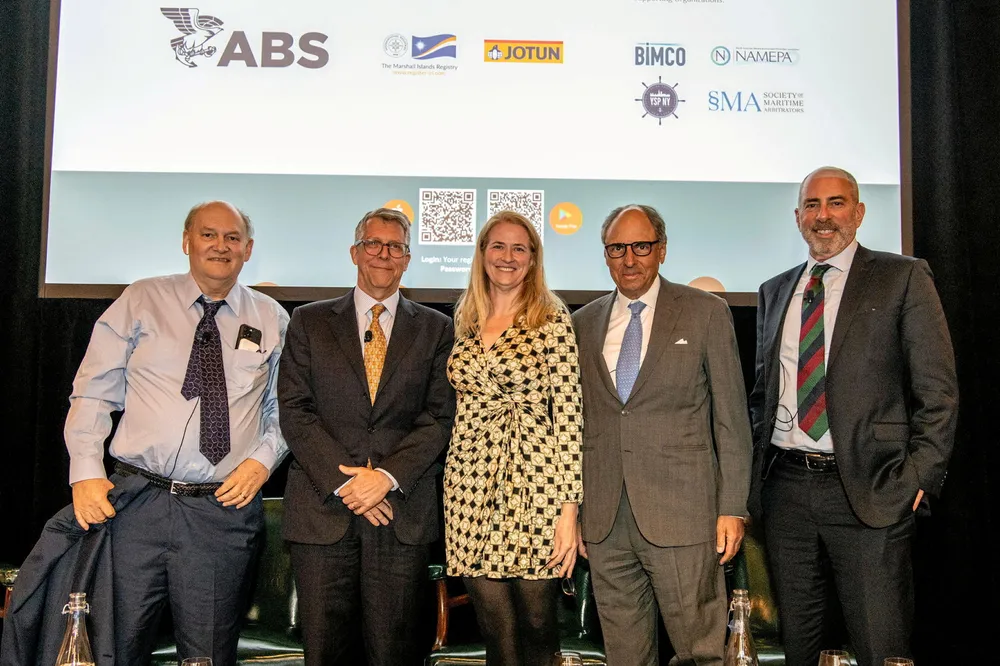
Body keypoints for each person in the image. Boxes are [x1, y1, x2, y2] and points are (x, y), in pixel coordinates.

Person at [748, 167, 958, 666]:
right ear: (798, 217)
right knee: (798, 646)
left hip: (871, 486)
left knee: (879, 644)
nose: (823, 216)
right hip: (786, 491)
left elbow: (938, 390)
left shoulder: (902, 277)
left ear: (859, 212)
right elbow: (761, 394)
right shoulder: (775, 290)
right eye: (812, 205)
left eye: (836, 203)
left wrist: (919, 476)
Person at [64, 200, 289, 665]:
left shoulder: (272, 317)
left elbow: (287, 408)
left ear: (248, 249)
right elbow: (93, 391)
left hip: (220, 513)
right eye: (209, 235)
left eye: (232, 238)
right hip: (136, 504)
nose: (220, 246)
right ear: (187, 241)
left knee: (209, 653)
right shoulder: (141, 299)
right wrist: (85, 472)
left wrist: (261, 461)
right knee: (114, 646)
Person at [572, 204, 751, 666]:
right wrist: (578, 513)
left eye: (641, 246)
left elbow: (731, 419)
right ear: (605, 255)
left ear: (662, 250)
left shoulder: (705, 312)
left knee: (701, 654)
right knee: (625, 658)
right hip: (606, 522)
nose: (629, 259)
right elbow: (578, 424)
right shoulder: (582, 323)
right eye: (617, 249)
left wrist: (732, 507)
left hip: (684, 516)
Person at [278, 207, 456, 666]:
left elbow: (439, 416)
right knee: (325, 653)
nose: (383, 254)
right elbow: (295, 410)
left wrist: (385, 478)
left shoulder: (437, 328)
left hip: (400, 514)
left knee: (394, 653)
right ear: (355, 252)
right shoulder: (309, 321)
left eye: (395, 247)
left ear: (408, 259)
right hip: (323, 513)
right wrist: (351, 483)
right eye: (373, 244)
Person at [443, 210, 583, 666]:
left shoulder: (551, 317)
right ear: (482, 254)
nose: (508, 257)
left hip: (536, 485)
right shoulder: (465, 319)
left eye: (519, 248)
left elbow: (569, 414)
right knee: (496, 635)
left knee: (538, 631)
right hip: (468, 486)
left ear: (533, 258)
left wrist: (569, 510)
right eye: (498, 246)